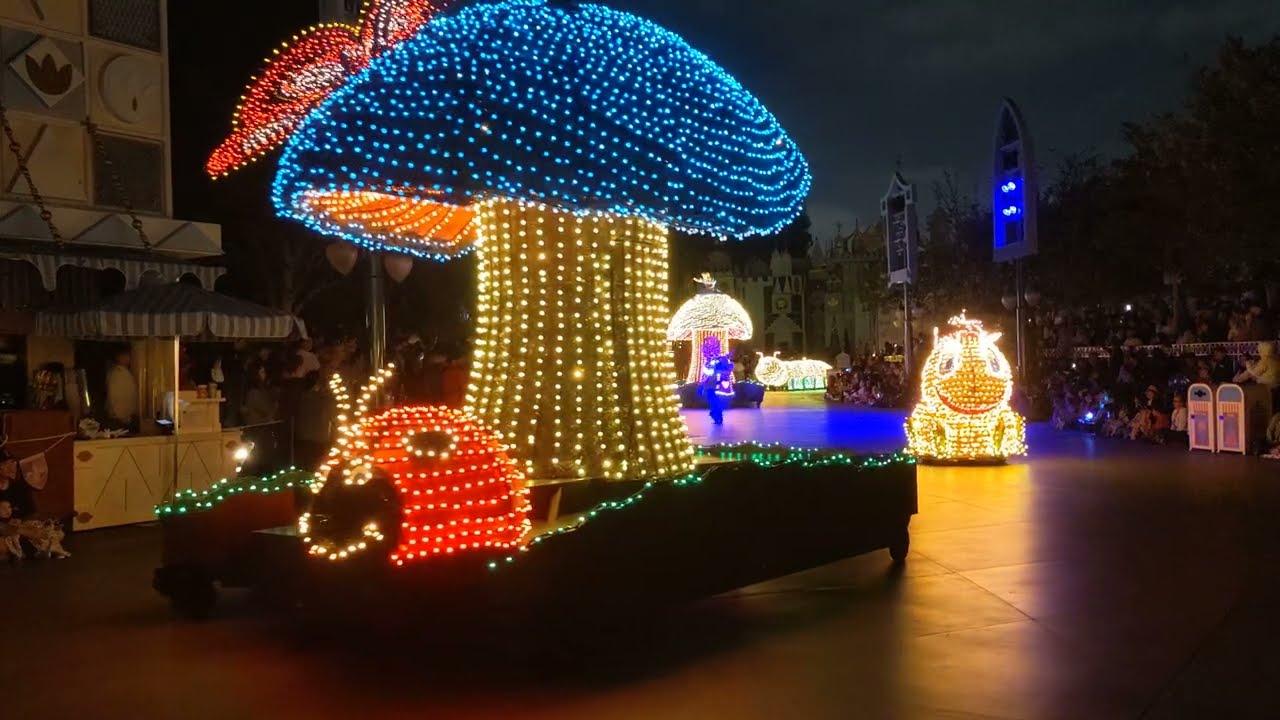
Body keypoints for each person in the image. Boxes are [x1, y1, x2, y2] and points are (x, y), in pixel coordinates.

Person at [104, 349, 138, 430]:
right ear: (120, 357)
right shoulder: (117, 374)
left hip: (125, 417)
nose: (129, 359)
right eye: (126, 356)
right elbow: (114, 396)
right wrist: (122, 415)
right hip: (119, 418)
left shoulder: (124, 373)